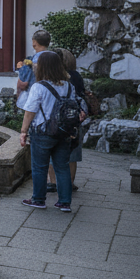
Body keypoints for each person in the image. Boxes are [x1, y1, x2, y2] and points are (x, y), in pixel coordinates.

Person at [19, 50, 81, 212]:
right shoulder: (69, 86)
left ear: (42, 67)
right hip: (64, 132)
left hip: (43, 132)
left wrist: (23, 131)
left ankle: (38, 199)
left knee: (40, 167)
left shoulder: (39, 87)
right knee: (62, 167)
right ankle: (65, 202)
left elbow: (30, 111)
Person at [48, 47, 89, 191]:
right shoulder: (76, 76)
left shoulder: (52, 77)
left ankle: (53, 182)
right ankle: (69, 183)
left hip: (55, 119)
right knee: (73, 153)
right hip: (74, 119)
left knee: (52, 152)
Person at [15, 30, 52, 111]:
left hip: (34, 99)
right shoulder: (54, 58)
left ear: (34, 42)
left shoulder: (31, 61)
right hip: (52, 98)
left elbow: (23, 84)